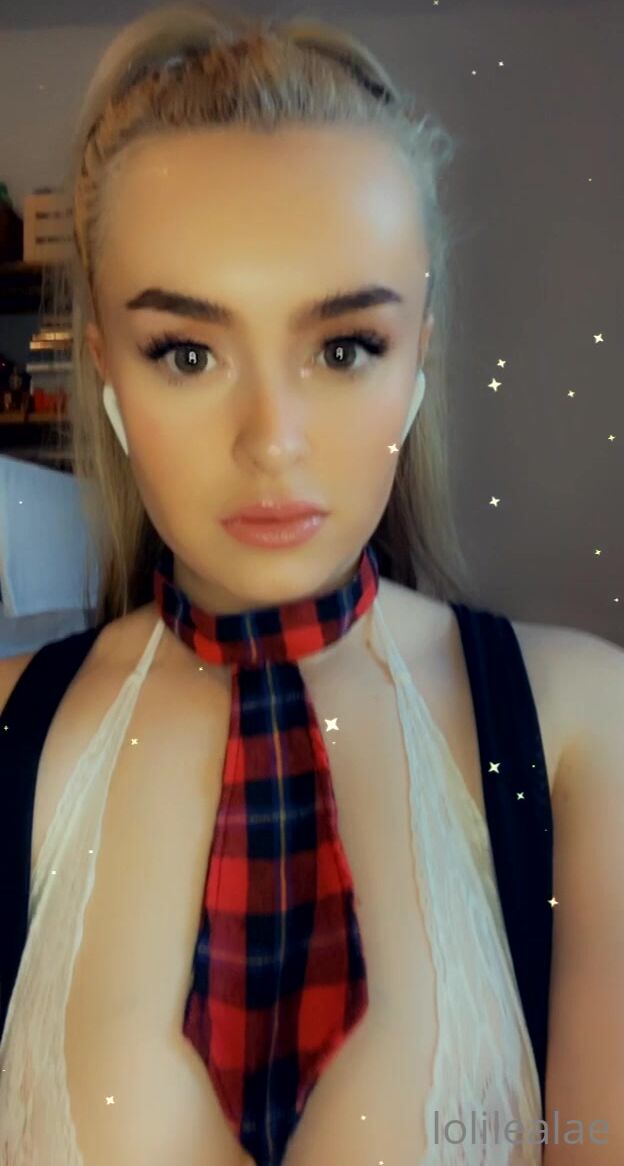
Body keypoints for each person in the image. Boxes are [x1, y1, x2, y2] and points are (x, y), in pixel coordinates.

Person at [1, 4, 622, 1165]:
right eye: (187, 351)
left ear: (419, 353)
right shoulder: (8, 733)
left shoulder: (584, 727)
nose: (273, 439)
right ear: (107, 370)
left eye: (344, 348)